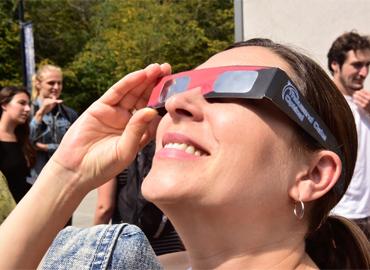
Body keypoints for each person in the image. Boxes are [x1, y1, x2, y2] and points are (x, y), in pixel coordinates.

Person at [0, 39, 369, 269]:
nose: (176, 102)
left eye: (233, 88)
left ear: (313, 174)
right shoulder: (110, 260)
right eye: (177, 86)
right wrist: (69, 174)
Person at [94, 141, 185, 256]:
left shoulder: (114, 155)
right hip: (169, 243)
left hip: (127, 246)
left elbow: (104, 208)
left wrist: (95, 241)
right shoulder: (168, 150)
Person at [327, 31, 370, 239]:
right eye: (357, 65)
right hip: (338, 214)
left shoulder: (366, 104)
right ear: (335, 64)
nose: (363, 72)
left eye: (367, 65)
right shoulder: (325, 104)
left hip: (367, 213)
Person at [29, 64, 78, 226]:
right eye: (51, 83)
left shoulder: (69, 113)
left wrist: (46, 147)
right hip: (34, 183)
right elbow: (27, 143)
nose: (56, 87)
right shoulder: (26, 110)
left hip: (63, 183)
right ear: (38, 84)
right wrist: (39, 114)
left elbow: (75, 147)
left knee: (63, 232)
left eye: (59, 83)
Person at [0, 86, 35, 203]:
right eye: (22, 103)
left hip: (23, 207)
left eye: (28, 104)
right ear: (4, 105)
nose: (28, 109)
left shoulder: (22, 137)